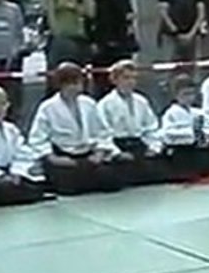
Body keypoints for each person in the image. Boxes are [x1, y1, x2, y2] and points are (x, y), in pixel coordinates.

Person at [27, 62, 133, 195]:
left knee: (112, 181)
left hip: (87, 154)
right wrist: (53, 158)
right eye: (70, 84)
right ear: (60, 85)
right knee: (68, 185)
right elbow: (38, 138)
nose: (75, 88)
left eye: (78, 83)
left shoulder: (88, 104)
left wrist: (99, 152)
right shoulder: (47, 108)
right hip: (63, 155)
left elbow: (102, 132)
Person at [97, 59, 178, 185]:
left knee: (164, 167)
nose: (130, 82)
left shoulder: (141, 101)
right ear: (115, 80)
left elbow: (152, 128)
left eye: (133, 78)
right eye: (126, 78)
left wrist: (154, 147)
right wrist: (117, 153)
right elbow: (102, 134)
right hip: (119, 145)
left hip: (139, 144)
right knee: (113, 175)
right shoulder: (105, 104)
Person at [160, 74, 209, 179]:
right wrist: (194, 133)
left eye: (191, 94)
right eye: (185, 94)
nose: (189, 98)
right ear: (175, 95)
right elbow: (167, 134)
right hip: (182, 149)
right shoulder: (170, 113)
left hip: (199, 147)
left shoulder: (197, 112)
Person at [91, 0, 138, 98]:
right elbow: (92, 18)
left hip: (121, 43)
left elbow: (127, 17)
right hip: (101, 45)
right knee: (101, 82)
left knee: (122, 78)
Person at [43, 0, 96, 71]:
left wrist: (75, 6)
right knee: (58, 72)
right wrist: (56, 33)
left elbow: (91, 13)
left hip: (79, 38)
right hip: (60, 38)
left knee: (80, 72)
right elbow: (50, 16)